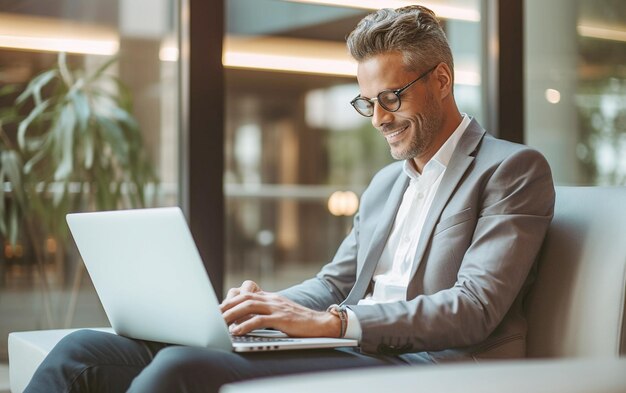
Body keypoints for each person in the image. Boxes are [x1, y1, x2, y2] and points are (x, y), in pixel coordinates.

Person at [25, 5, 555, 393]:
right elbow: (334, 284)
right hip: (352, 347)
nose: (378, 119)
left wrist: (335, 324)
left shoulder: (511, 169)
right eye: (366, 102)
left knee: (178, 372)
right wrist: (258, 312)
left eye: (391, 97)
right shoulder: (386, 185)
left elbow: (474, 308)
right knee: (81, 353)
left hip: (423, 365)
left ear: (441, 80)